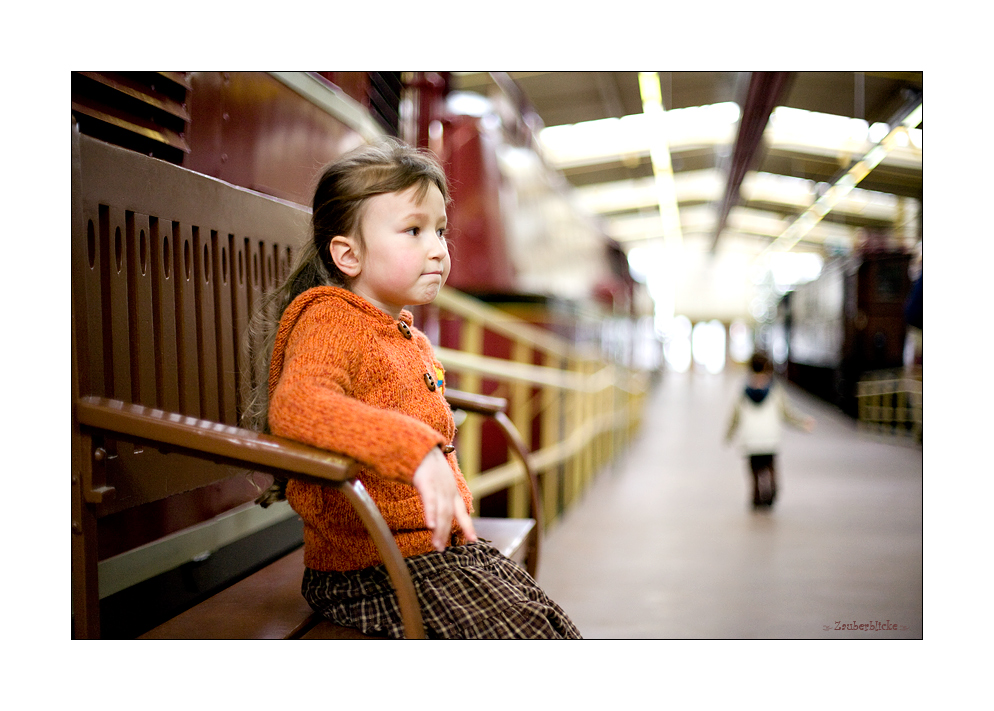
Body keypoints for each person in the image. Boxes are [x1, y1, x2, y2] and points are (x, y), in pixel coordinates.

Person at [244, 138, 580, 639]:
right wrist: (416, 451)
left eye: (441, 231)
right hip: (367, 568)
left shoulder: (403, 333)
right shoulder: (330, 319)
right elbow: (298, 406)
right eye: (414, 231)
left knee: (545, 622)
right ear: (348, 254)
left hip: (431, 551)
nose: (438, 249)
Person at [724, 352, 815, 509]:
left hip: (750, 438)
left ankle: (756, 497)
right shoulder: (774, 390)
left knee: (754, 470)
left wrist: (729, 435)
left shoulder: (744, 391)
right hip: (770, 438)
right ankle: (772, 488)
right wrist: (803, 423)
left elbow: (735, 416)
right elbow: (787, 413)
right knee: (770, 466)